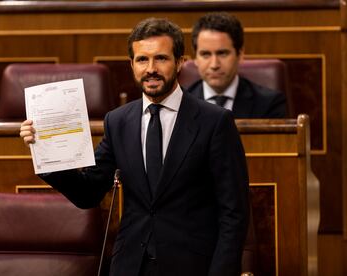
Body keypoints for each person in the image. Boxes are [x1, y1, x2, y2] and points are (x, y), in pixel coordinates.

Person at [20, 17, 249, 276]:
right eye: (142, 60)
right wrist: (46, 152)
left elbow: (234, 213)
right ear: (131, 65)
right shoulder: (117, 121)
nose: (150, 68)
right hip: (130, 265)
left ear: (180, 62)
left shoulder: (215, 121)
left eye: (161, 58)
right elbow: (88, 193)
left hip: (192, 265)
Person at [188, 12, 287, 118]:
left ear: (240, 54)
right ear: (196, 58)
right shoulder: (180, 103)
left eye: (222, 53)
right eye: (205, 54)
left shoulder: (269, 103)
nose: (214, 65)